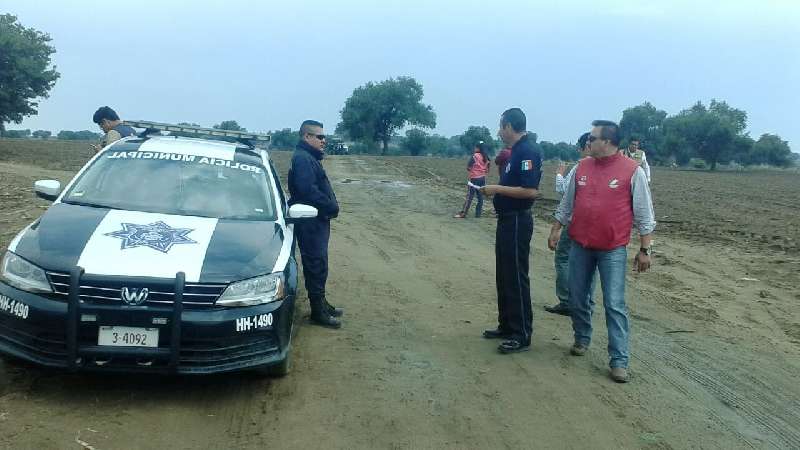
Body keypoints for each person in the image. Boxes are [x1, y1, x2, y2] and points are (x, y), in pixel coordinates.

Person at [547, 120, 656, 383]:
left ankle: (619, 360)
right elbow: (567, 202)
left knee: (614, 304)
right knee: (576, 296)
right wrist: (556, 228)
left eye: (593, 138)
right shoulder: (582, 167)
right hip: (580, 245)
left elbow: (644, 214)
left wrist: (645, 250)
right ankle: (581, 337)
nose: (588, 142)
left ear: (607, 142)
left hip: (612, 250)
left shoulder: (633, 171)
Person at [479, 108, 542, 354]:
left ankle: (521, 333)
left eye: (500, 126)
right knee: (504, 274)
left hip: (517, 220)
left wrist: (495, 189)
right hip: (506, 220)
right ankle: (506, 324)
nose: (498, 132)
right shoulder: (515, 152)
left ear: (509, 127)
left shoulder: (528, 151)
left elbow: (530, 191)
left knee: (516, 276)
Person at [288, 120, 342, 329]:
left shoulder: (309, 157)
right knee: (315, 264)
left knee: (320, 263)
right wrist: (330, 206)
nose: (323, 140)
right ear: (306, 137)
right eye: (319, 137)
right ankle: (317, 312)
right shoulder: (302, 159)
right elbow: (306, 191)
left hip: (317, 220)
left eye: (323, 136)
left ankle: (322, 303)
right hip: (310, 221)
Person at [544, 132, 595, 316]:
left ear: (585, 147)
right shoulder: (605, 167)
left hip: (574, 222)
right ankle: (587, 301)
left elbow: (563, 191)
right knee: (589, 264)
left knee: (563, 258)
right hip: (594, 225)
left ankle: (567, 301)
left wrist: (559, 174)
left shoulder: (580, 167)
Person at [454, 141, 491, 218]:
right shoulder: (486, 157)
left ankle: (463, 213)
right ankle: (478, 214)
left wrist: (474, 170)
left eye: (475, 147)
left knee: (469, 196)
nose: (474, 148)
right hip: (482, 178)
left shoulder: (475, 156)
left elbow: (468, 167)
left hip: (474, 179)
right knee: (480, 197)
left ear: (478, 148)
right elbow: (487, 170)